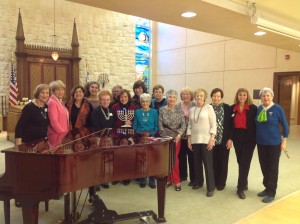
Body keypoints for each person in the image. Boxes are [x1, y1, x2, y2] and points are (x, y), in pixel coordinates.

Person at [256, 87, 289, 203]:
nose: (265, 98)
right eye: (263, 96)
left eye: (267, 96)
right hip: (261, 143)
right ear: (260, 98)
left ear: (272, 97)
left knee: (272, 168)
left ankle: (272, 192)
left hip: (274, 144)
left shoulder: (277, 108)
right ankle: (267, 187)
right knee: (264, 166)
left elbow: (285, 125)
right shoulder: (259, 108)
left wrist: (284, 141)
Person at [187, 88, 216, 197]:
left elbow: (214, 124)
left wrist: (212, 139)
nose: (199, 97)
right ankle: (199, 182)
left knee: (208, 164)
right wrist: (189, 139)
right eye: (197, 95)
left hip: (206, 140)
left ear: (204, 97)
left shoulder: (209, 108)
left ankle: (210, 187)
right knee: (197, 163)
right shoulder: (192, 109)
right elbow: (189, 125)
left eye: (201, 95)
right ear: (194, 97)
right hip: (195, 140)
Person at [230, 88, 257, 199]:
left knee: (245, 162)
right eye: (240, 95)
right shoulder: (232, 108)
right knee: (240, 161)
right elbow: (230, 125)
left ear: (247, 96)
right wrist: (231, 138)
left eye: (244, 95)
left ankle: (240, 188)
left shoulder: (253, 108)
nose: (242, 97)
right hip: (237, 138)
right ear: (237, 96)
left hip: (249, 138)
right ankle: (244, 182)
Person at [159, 89, 186, 191]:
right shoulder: (162, 110)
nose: (172, 99)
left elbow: (183, 124)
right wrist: (165, 137)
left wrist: (179, 135)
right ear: (167, 97)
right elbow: (160, 125)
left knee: (174, 159)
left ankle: (177, 181)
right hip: (165, 138)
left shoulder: (180, 110)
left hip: (176, 138)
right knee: (167, 159)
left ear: (176, 98)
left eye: (174, 97)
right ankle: (168, 179)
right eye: (170, 97)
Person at [112, 89, 138, 186]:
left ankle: (127, 176)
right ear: (119, 98)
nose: (123, 99)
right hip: (118, 133)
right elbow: (113, 120)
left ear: (128, 97)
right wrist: (122, 123)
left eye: (125, 97)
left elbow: (137, 121)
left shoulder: (134, 108)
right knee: (117, 156)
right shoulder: (115, 107)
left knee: (128, 156)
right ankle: (117, 176)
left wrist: (131, 122)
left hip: (130, 134)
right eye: (122, 97)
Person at [133, 93, 158, 189]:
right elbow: (135, 126)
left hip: (152, 138)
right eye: (143, 101)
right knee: (141, 159)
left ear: (150, 102)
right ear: (140, 102)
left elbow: (156, 127)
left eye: (147, 101)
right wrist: (141, 133)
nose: (145, 103)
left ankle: (152, 179)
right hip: (140, 138)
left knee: (151, 159)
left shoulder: (154, 112)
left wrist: (150, 134)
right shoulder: (137, 112)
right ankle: (142, 178)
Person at [210, 88, 233, 191]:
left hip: (224, 140)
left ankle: (221, 183)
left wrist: (230, 139)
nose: (216, 98)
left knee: (223, 162)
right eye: (214, 96)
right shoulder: (208, 108)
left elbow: (232, 125)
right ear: (211, 97)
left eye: (218, 96)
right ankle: (213, 181)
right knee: (213, 162)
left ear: (221, 97)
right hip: (211, 141)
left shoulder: (227, 108)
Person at [177, 87, 196, 187]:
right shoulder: (177, 106)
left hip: (192, 135)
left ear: (191, 95)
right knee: (181, 156)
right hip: (180, 135)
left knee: (192, 158)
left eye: (187, 94)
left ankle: (193, 178)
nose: (185, 96)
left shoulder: (195, 105)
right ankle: (182, 175)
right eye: (183, 94)